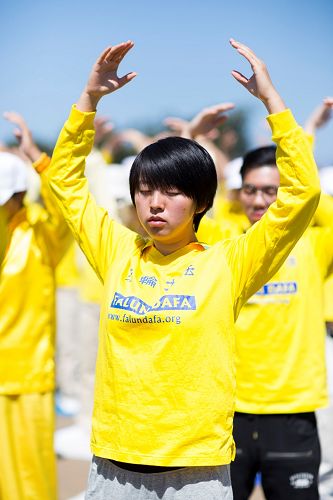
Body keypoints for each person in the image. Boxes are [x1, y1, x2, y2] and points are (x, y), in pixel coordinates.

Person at [46, 39, 320, 499]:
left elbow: (301, 195)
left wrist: (272, 102)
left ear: (202, 202)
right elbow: (63, 183)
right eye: (146, 189)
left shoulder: (229, 262)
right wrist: (88, 101)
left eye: (172, 192)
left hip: (196, 470)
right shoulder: (117, 250)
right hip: (115, 465)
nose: (155, 202)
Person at [229, 142, 333, 499]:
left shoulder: (314, 243)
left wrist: (300, 138)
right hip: (229, 411)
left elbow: (317, 197)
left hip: (292, 411)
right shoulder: (224, 246)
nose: (258, 201)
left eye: (271, 191)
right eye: (250, 190)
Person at [0, 112, 71, 500]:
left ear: (16, 196)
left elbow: (65, 206)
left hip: (28, 380)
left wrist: (37, 160)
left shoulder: (41, 236)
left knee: (30, 483)